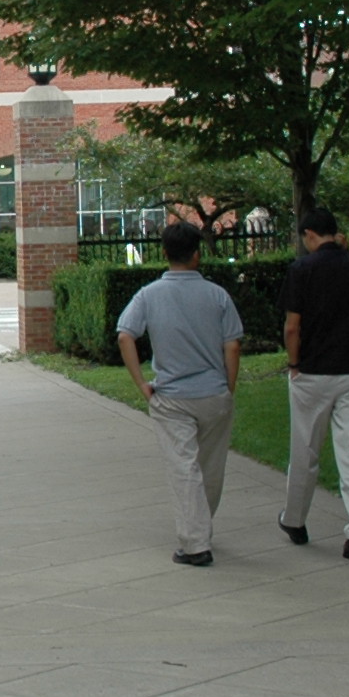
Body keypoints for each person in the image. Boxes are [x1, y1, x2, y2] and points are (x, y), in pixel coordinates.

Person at [115, 220, 244, 566]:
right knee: (211, 467)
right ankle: (201, 527)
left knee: (183, 467)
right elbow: (232, 346)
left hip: (171, 396)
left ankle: (195, 542)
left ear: (164, 253)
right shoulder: (218, 295)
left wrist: (142, 383)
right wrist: (228, 387)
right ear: (197, 254)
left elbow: (126, 335)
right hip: (214, 393)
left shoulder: (148, 295)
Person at [279, 206, 349, 563]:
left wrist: (294, 363)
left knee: (305, 450)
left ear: (309, 235)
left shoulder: (301, 270)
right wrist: (348, 250)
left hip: (311, 371)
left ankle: (295, 519)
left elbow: (293, 326)